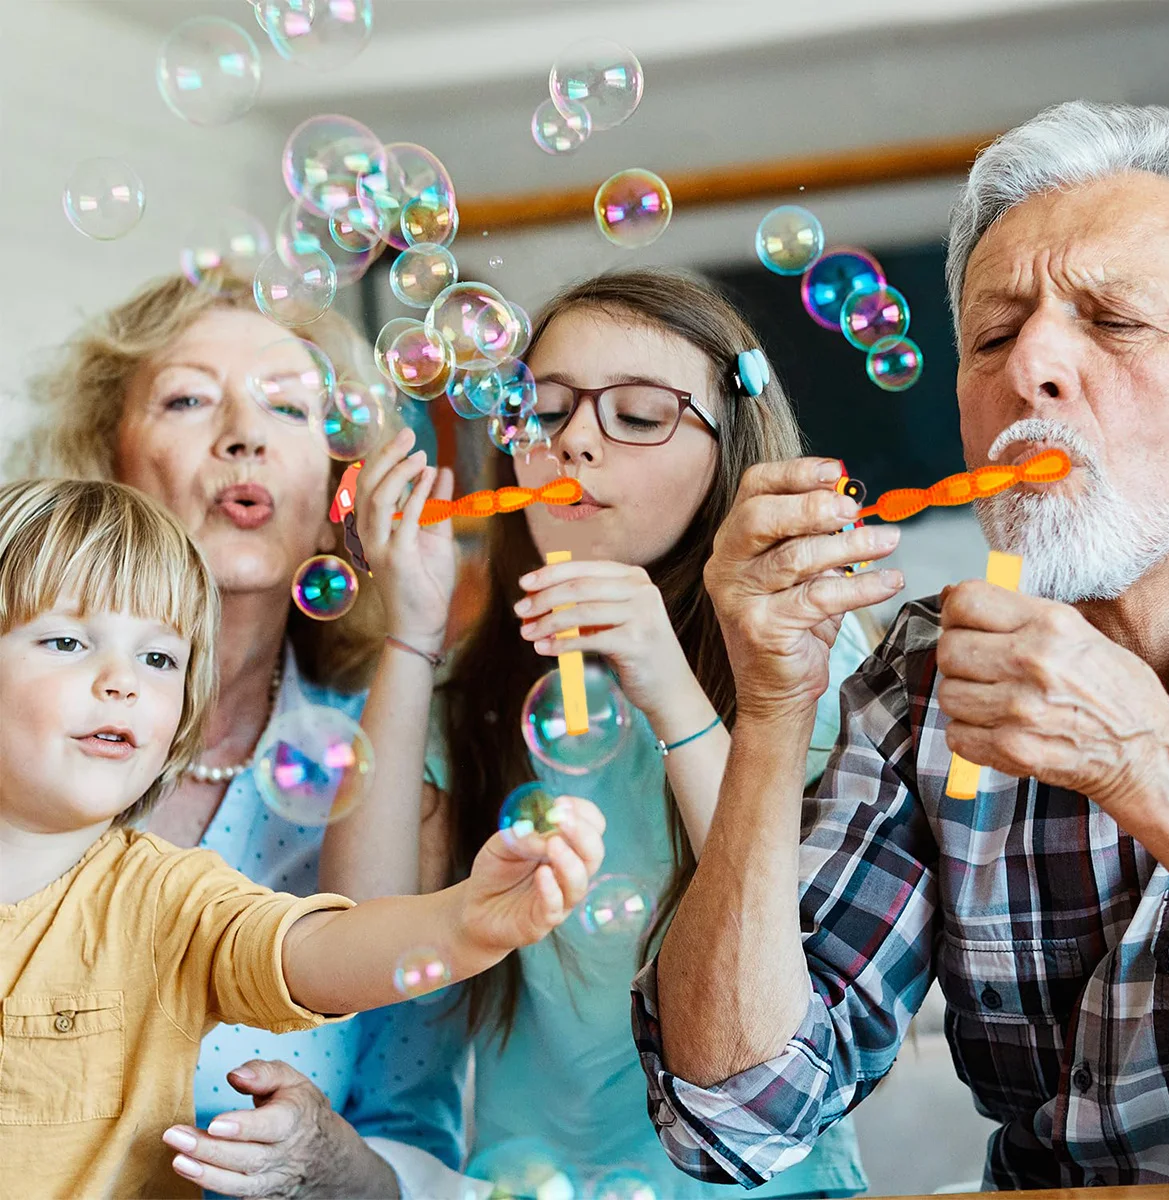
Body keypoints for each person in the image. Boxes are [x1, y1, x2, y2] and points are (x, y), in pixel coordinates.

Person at [635, 99, 1169, 1191]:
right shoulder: (923, 675)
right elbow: (735, 1113)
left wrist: (1154, 768)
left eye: (1115, 320)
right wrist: (770, 705)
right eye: (992, 336)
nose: (1030, 363)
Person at [321, 270, 873, 1198]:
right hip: (529, 1182)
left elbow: (810, 940)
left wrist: (667, 687)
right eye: (539, 409)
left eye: (641, 416)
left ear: (730, 453)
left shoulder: (804, 646)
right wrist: (410, 633)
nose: (573, 439)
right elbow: (357, 936)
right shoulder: (478, 685)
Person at [0, 477, 607, 1198]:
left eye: (159, 658)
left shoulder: (169, 899)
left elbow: (314, 952)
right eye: (68, 640)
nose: (121, 682)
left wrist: (463, 921)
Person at [13, 273, 454, 1198]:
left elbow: (414, 1146)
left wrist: (324, 1161)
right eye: (187, 398)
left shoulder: (388, 781)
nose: (244, 435)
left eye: (289, 408)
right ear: (105, 456)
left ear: (339, 483)